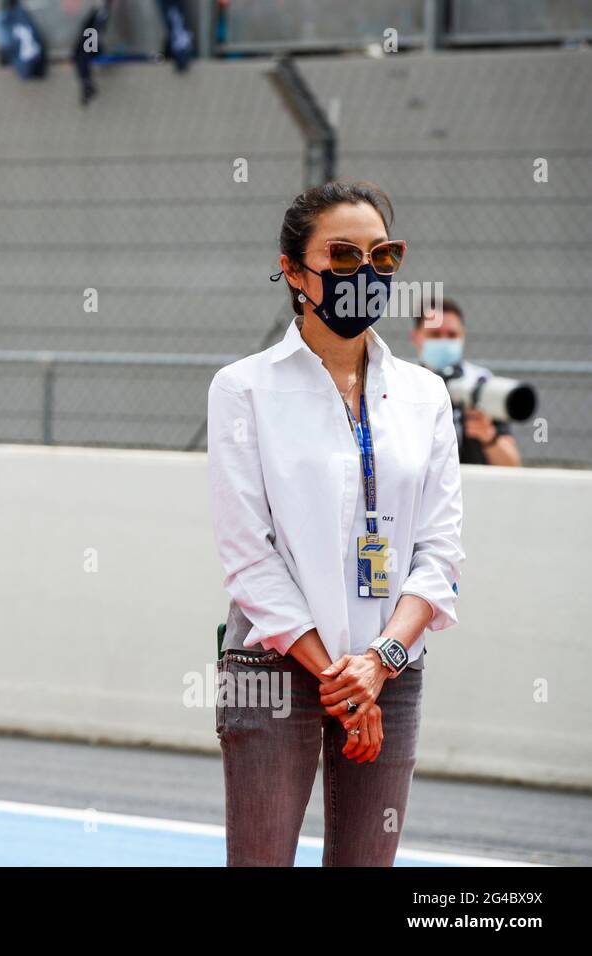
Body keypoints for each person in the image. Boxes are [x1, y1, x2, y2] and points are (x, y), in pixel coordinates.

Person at [206, 181, 464, 866]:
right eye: (343, 256)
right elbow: (248, 557)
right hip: (274, 664)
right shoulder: (243, 388)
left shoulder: (424, 395)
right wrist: (339, 679)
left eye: (383, 255)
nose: (367, 272)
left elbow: (439, 554)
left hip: (391, 670)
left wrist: (378, 665)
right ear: (294, 271)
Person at [412, 297, 522, 466]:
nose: (444, 341)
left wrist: (488, 436)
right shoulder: (404, 385)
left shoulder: (481, 385)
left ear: (462, 336)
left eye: (452, 334)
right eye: (435, 334)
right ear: (417, 337)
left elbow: (512, 464)